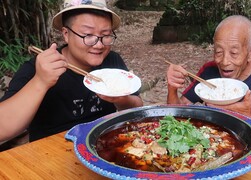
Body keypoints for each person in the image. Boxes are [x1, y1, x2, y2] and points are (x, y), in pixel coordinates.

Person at [0, 0, 143, 142]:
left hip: (102, 146)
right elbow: (3, 129)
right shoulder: (40, 68)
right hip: (51, 152)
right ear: (66, 34)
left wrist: (121, 99)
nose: (99, 45)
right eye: (88, 35)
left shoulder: (112, 61)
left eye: (105, 35)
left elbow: (137, 108)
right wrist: (40, 81)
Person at [166, 15, 251, 129]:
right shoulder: (209, 71)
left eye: (234, 53)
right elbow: (177, 114)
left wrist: (250, 116)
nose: (224, 61)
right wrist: (172, 88)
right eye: (218, 52)